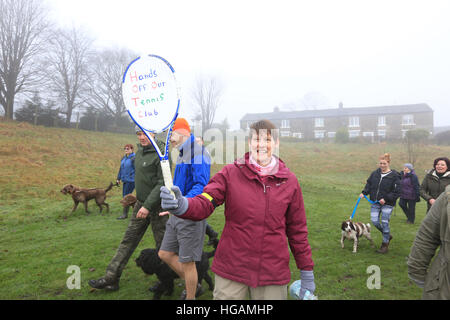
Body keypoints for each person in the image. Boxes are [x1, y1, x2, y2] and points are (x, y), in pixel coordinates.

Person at [160, 119, 315, 300]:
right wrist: (184, 205)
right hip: (232, 268)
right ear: (249, 142)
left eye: (267, 140)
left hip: (272, 272)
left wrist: (306, 271)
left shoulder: (290, 181)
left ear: (276, 143)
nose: (261, 145)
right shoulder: (231, 173)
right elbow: (207, 200)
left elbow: (298, 232)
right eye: (257, 139)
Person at [88, 126, 169, 291]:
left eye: (145, 133)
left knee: (164, 247)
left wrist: (148, 206)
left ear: (154, 133)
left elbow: (163, 183)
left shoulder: (162, 155)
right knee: (128, 240)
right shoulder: (138, 154)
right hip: (140, 204)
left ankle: (169, 282)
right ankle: (111, 278)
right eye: (139, 134)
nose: (141, 137)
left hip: (158, 207)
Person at [157, 118, 211, 300]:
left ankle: (191, 297)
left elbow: (200, 186)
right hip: (177, 212)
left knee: (187, 262)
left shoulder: (198, 153)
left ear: (183, 132)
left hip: (191, 214)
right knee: (164, 253)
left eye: (171, 134)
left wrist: (182, 204)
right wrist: (172, 206)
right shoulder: (182, 153)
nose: (169, 139)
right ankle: (194, 284)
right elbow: (180, 185)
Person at [407, 185, 450, 300]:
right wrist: (416, 270)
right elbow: (427, 235)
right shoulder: (447, 196)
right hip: (444, 282)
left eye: (442, 164)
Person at [360, 153, 401, 254]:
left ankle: (384, 245)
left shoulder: (394, 175)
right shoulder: (375, 173)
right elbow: (369, 184)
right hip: (375, 202)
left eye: (384, 163)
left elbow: (397, 191)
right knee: (374, 221)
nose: (382, 165)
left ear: (388, 163)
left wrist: (386, 199)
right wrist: (364, 192)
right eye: (380, 163)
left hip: (388, 203)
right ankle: (387, 235)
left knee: (384, 222)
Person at [116, 144, 136, 220]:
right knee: (125, 197)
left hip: (131, 180)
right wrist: (118, 179)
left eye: (128, 148)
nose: (126, 150)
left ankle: (125, 214)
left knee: (126, 197)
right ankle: (130, 213)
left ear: (132, 149)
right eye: (125, 148)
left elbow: (137, 169)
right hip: (125, 180)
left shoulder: (134, 158)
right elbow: (121, 169)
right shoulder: (124, 158)